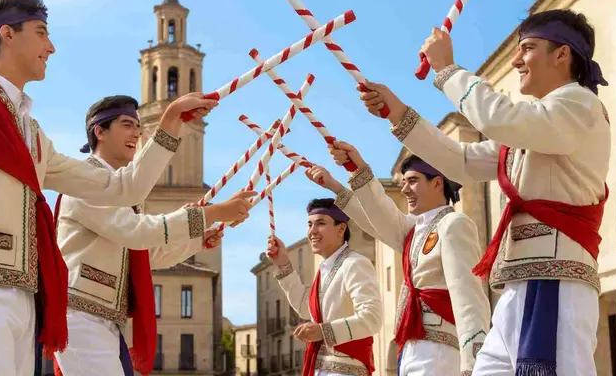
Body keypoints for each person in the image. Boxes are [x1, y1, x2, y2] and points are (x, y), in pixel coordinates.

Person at [0, 0, 219, 376]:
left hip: (24, 301)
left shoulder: (33, 134)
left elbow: (125, 189)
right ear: (7, 34)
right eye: (41, 33)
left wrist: (169, 123)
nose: (51, 47)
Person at [356, 9, 610, 375]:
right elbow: (459, 161)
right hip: (516, 288)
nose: (516, 60)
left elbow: (498, 119)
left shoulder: (580, 105)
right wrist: (397, 112)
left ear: (562, 54)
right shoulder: (533, 128)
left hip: (556, 284)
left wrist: (447, 70)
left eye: (527, 48)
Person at [53, 95, 254, 375]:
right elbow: (139, 232)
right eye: (126, 124)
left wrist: (198, 239)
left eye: (138, 126)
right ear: (99, 131)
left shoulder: (117, 190)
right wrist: (212, 214)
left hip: (103, 319)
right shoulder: (87, 180)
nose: (137, 132)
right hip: (82, 315)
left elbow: (147, 255)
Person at [305, 151, 491, 376]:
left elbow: (469, 296)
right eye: (403, 182)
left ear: (437, 183)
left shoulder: (453, 224)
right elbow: (378, 215)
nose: (404, 190)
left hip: (441, 350)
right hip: (412, 350)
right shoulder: (414, 231)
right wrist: (341, 181)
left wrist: (474, 364)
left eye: (413, 181)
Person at [267, 198, 382, 376]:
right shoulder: (325, 270)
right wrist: (283, 264)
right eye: (310, 224)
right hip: (320, 368)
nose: (312, 231)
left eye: (320, 223)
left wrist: (323, 331)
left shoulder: (356, 263)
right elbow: (307, 309)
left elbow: (372, 317)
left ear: (341, 228)